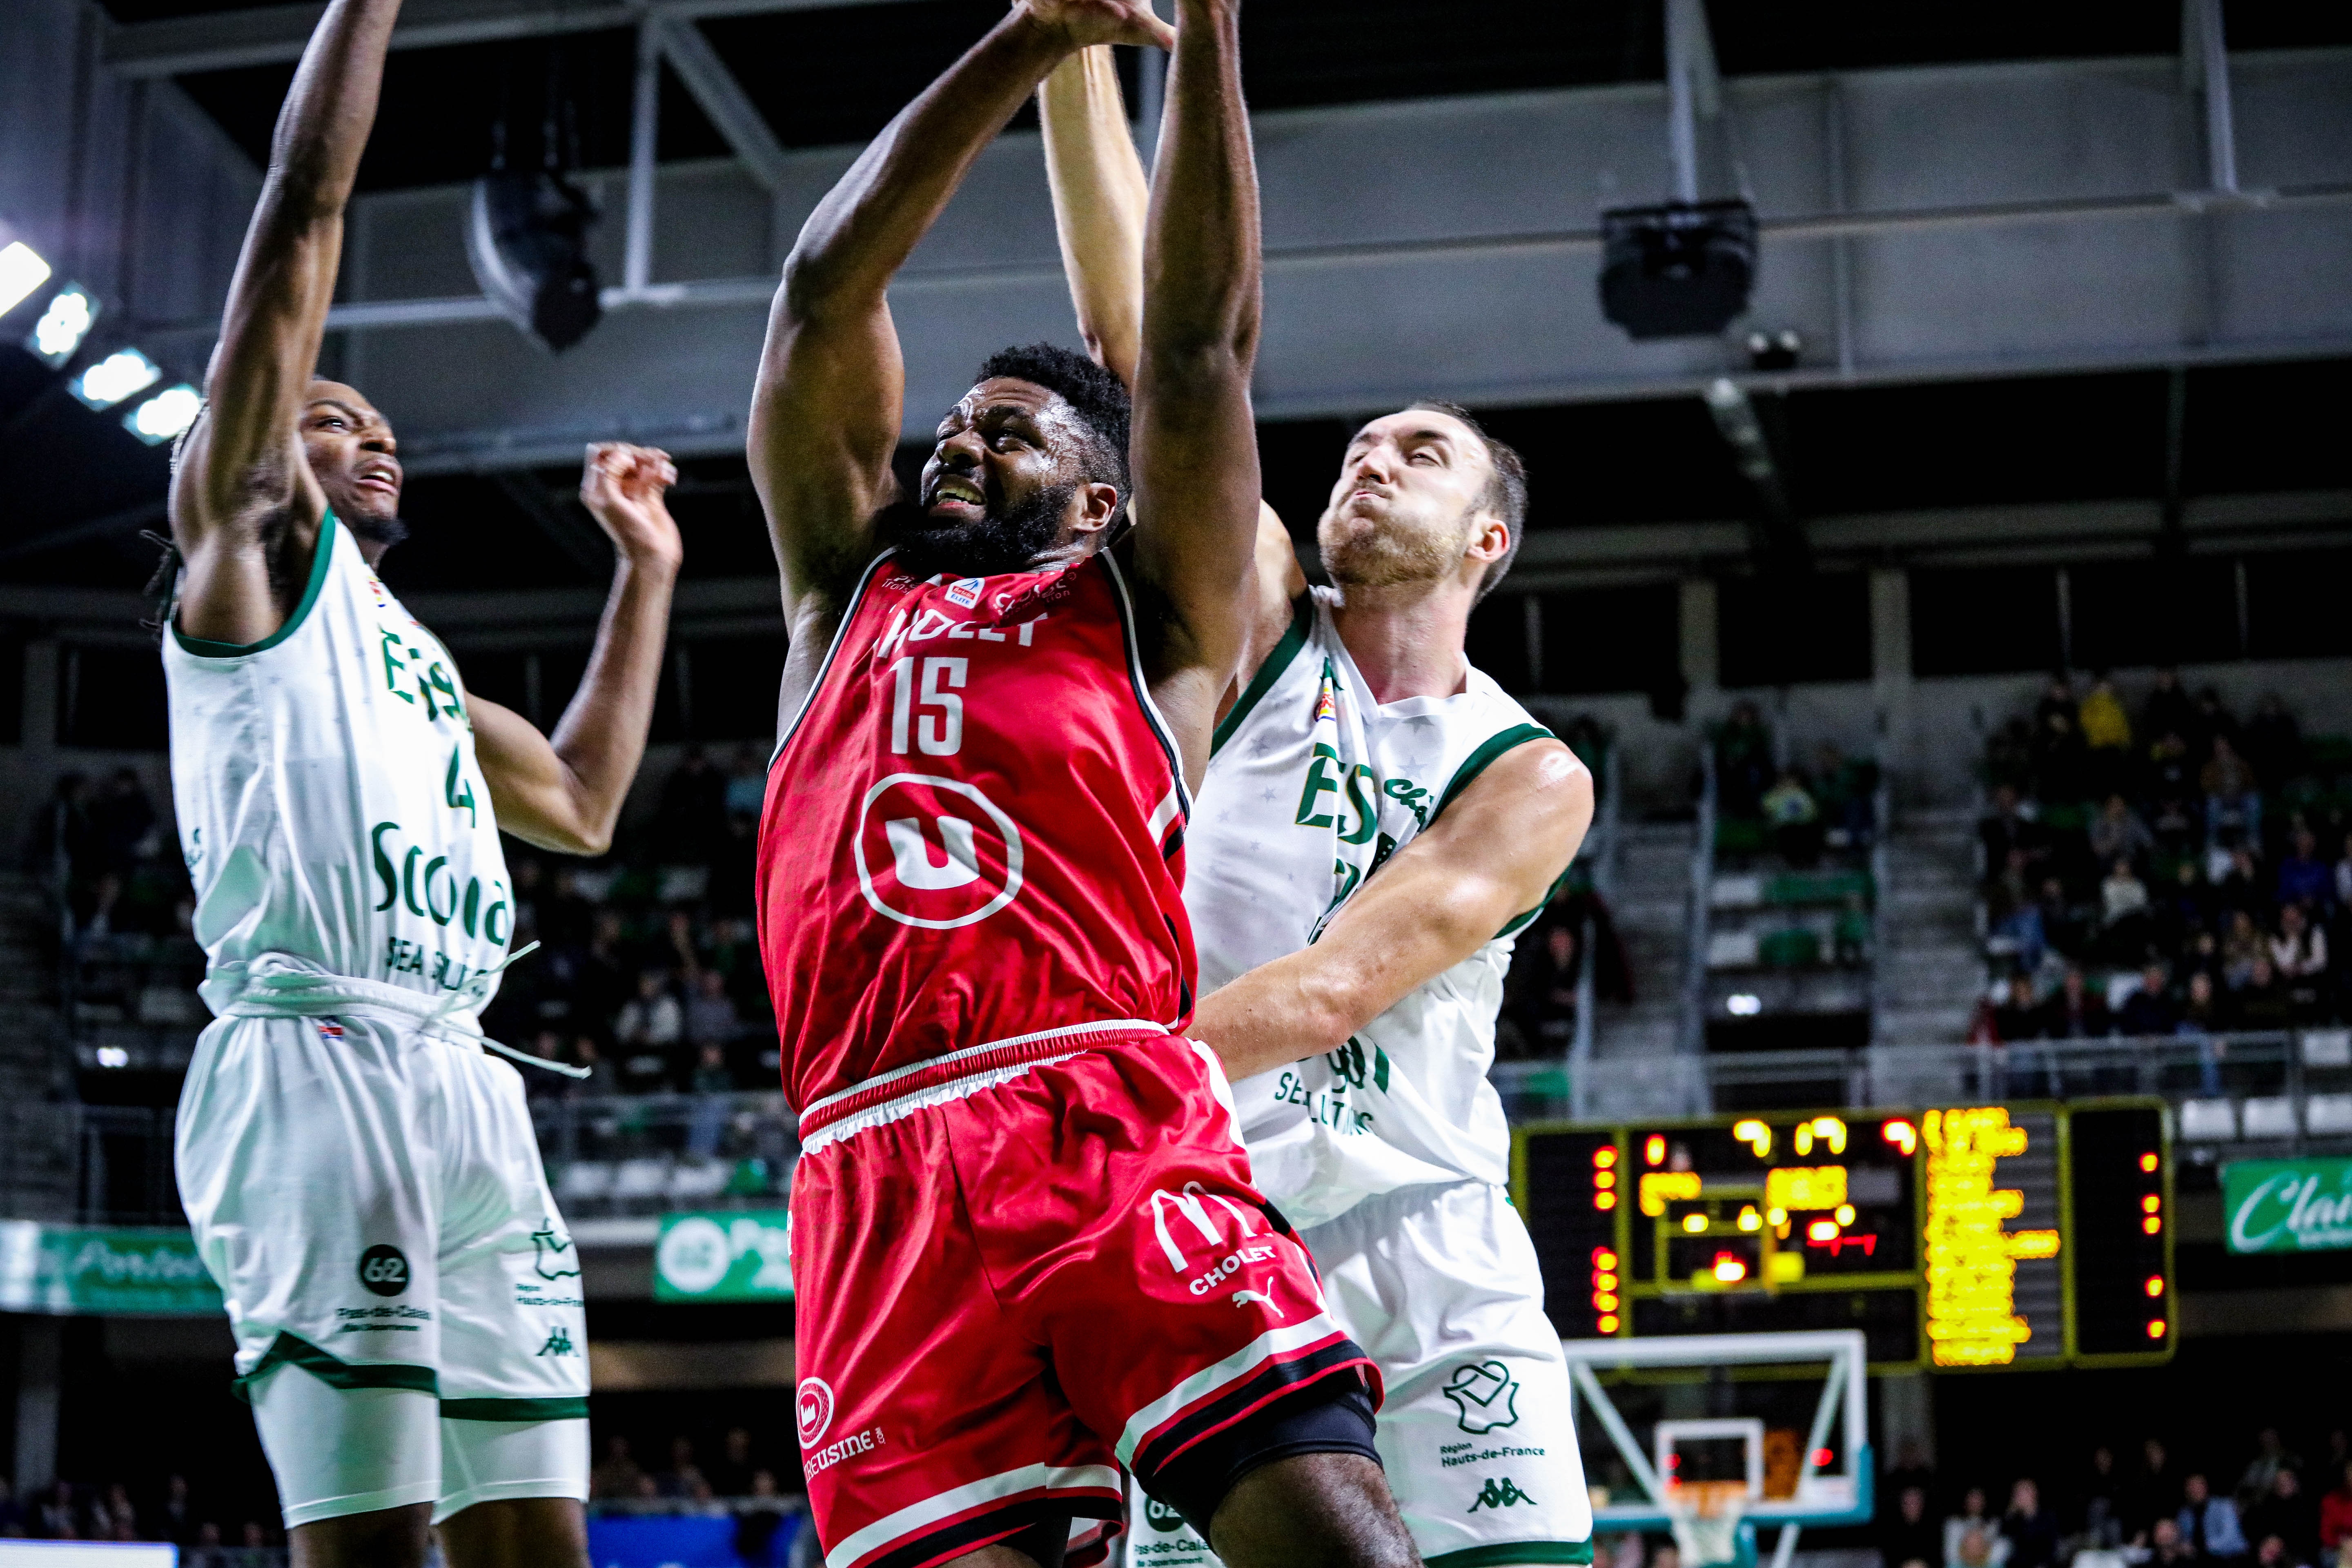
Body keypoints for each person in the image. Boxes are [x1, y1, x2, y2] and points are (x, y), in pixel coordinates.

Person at [746, 4, 1415, 1566]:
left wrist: (1210, 38)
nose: (954, 449)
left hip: (1095, 1109)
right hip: (867, 1169)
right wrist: (1026, 40)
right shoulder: (838, 597)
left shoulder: (1150, 606)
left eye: (1007, 431)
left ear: (1099, 496)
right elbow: (817, 297)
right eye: (951, 428)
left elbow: (1193, 348)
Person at [1037, 42, 1598, 1568]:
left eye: (1418, 454)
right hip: (1218, 1224)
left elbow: (1342, 984)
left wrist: (1074, 1080)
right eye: (1358, 445)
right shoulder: (1260, 621)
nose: (1371, 460)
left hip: (1429, 1248)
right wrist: (1070, 55)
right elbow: (1144, 356)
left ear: (1484, 538)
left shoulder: (1527, 770)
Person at [160, 4, 683, 1562]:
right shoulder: (249, 573)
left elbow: (584, 801)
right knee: (371, 1539)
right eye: (332, 418)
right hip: (311, 1057)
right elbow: (302, 213)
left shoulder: (422, 667)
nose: (370, 436)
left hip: (464, 1077)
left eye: (382, 427)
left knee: (537, 1537)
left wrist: (643, 576)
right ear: (251, 448)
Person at [2183, 1473, 2250, 1561]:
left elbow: (2231, 1538)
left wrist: (2201, 1547)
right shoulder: (2185, 1514)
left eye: (2199, 1485)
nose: (2195, 1489)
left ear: (2206, 1487)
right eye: (2191, 1486)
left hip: (2232, 1558)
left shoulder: (2224, 1506)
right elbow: (2184, 1541)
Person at [2004, 1480, 2059, 1568]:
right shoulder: (2014, 1519)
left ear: (2034, 1493)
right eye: (2017, 1493)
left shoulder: (2048, 1517)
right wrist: (2011, 1513)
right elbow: (2007, 1541)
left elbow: (2052, 1548)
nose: (2019, 1497)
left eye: (2023, 1492)